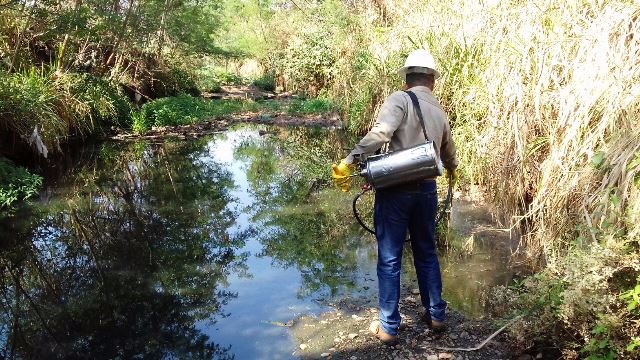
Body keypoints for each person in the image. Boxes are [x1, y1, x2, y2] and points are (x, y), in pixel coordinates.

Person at [331, 49, 458, 345]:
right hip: (427, 190)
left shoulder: (399, 99)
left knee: (390, 258)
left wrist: (349, 161)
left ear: (406, 79)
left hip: (396, 191)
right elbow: (448, 152)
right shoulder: (439, 110)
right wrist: (453, 171)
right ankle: (436, 315)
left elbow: (380, 134)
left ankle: (388, 327)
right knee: (426, 252)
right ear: (432, 81)